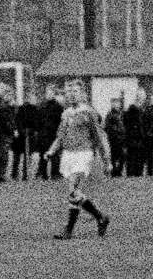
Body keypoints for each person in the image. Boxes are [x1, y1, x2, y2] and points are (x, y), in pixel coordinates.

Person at [43, 82, 111, 240]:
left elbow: (99, 137)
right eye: (69, 92)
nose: (72, 94)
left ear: (82, 94)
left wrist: (106, 160)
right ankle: (100, 217)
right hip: (68, 155)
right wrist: (51, 151)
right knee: (74, 193)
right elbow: (60, 136)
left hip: (84, 154)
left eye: (75, 91)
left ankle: (69, 230)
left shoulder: (89, 112)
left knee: (73, 189)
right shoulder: (66, 113)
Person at [11, 87, 40, 182]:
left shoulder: (35, 109)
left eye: (33, 97)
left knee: (28, 156)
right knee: (18, 156)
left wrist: (33, 130)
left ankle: (26, 174)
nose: (32, 99)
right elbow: (17, 121)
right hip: (21, 137)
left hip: (30, 135)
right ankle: (15, 174)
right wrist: (22, 131)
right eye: (31, 97)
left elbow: (36, 122)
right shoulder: (21, 108)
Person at [37, 88, 65, 180]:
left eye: (51, 93)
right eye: (47, 93)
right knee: (43, 154)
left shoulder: (58, 107)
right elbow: (38, 120)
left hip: (53, 134)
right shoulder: (42, 106)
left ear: (53, 94)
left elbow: (61, 120)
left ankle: (55, 173)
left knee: (54, 154)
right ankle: (43, 174)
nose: (49, 95)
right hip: (43, 134)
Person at [103, 97, 128, 178]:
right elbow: (106, 127)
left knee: (123, 156)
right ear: (112, 105)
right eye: (114, 103)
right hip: (113, 139)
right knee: (113, 156)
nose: (116, 105)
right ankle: (114, 172)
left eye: (117, 103)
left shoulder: (122, 114)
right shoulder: (109, 115)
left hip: (122, 138)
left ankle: (119, 171)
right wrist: (115, 130)